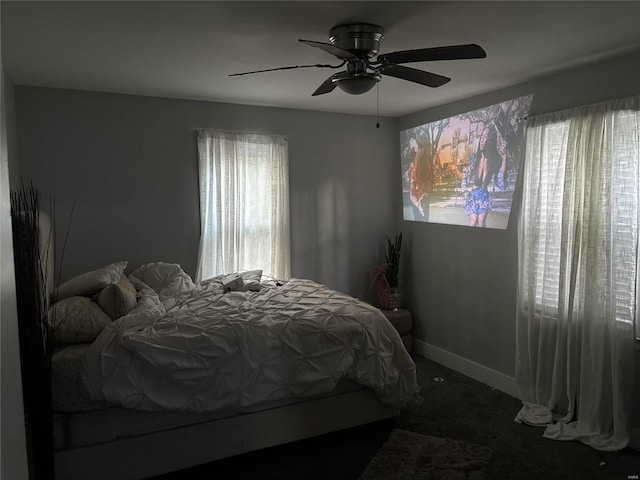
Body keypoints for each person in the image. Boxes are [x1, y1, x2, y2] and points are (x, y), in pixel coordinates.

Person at [409, 144, 434, 221]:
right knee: (423, 222)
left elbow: (429, 188)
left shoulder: (427, 170)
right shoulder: (414, 171)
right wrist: (418, 204)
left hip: (421, 200)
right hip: (418, 201)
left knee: (422, 222)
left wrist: (421, 200)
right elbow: (412, 191)